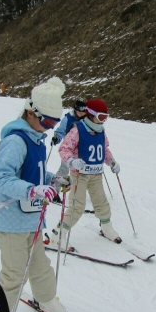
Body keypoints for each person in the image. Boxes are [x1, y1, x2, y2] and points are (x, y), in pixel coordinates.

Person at [0, 77, 73, 312]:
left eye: (56, 123)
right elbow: (2, 179)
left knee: (40, 267)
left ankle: (47, 300)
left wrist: (53, 182)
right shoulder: (16, 140)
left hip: (31, 220)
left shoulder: (37, 139)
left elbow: (36, 175)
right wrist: (33, 190)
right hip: (12, 222)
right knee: (13, 278)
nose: (52, 128)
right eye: (48, 122)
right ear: (31, 112)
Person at [51, 98, 122, 247]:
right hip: (80, 175)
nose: (104, 121)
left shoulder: (101, 130)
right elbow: (64, 149)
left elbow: (104, 149)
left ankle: (106, 228)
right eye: (101, 117)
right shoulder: (77, 129)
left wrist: (112, 162)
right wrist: (71, 161)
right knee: (77, 206)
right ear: (91, 114)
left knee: (101, 203)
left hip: (96, 174)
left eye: (106, 117)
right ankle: (59, 234)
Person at [49, 98, 87, 201]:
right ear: (75, 110)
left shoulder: (87, 119)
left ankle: (78, 193)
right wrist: (57, 137)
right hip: (69, 148)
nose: (81, 114)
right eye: (79, 111)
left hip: (82, 148)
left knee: (82, 170)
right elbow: (61, 130)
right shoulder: (68, 118)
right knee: (64, 168)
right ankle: (54, 191)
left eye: (83, 111)